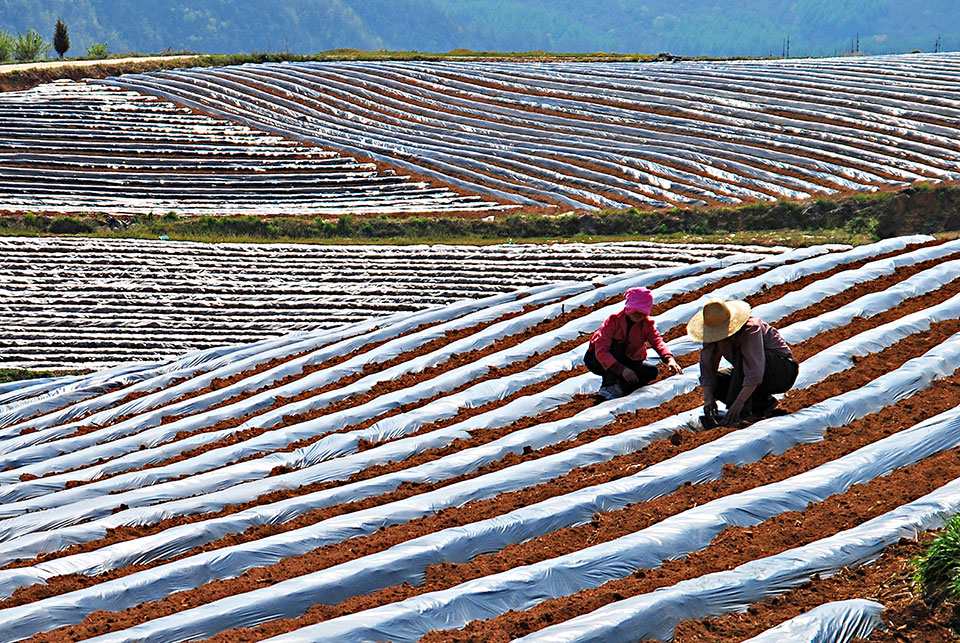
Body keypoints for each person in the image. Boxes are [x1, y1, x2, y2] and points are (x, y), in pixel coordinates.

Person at [687, 299, 799, 427]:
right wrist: (708, 400)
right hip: (751, 370)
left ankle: (743, 413)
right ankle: (762, 404)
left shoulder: (751, 329)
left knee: (743, 357)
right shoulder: (712, 335)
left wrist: (738, 404)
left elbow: (754, 370)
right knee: (717, 381)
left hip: (781, 371)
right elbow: (707, 368)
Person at [584, 287, 682, 400]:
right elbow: (601, 351)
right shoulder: (613, 321)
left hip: (629, 359)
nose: (639, 315)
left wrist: (669, 359)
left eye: (643, 313)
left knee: (651, 371)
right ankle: (608, 386)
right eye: (637, 311)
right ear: (630, 307)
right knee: (617, 348)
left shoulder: (647, 325)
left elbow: (657, 341)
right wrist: (622, 370)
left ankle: (621, 388)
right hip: (597, 358)